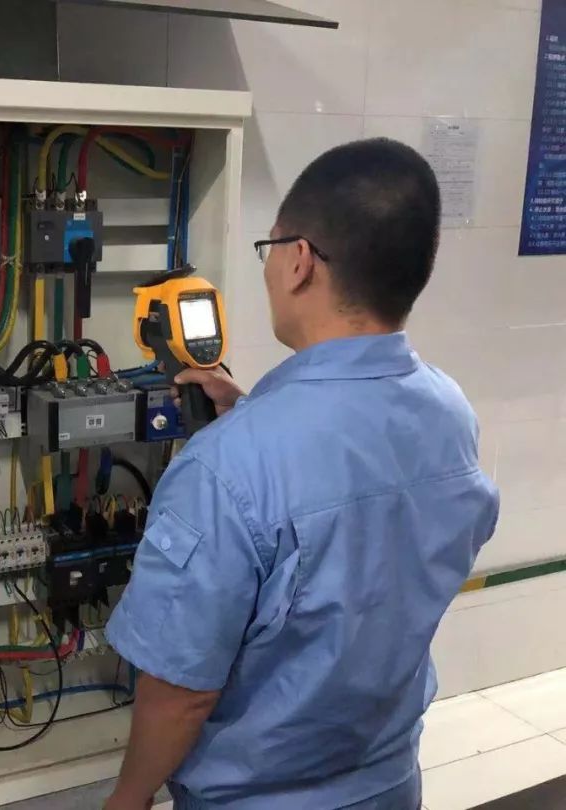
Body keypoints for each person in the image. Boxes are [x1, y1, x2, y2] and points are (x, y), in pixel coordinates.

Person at [104, 139, 500, 810]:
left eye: (269, 249)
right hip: (390, 784)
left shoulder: (225, 466)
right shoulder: (450, 412)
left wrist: (128, 798)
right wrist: (249, 413)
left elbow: (180, 693)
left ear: (298, 262)